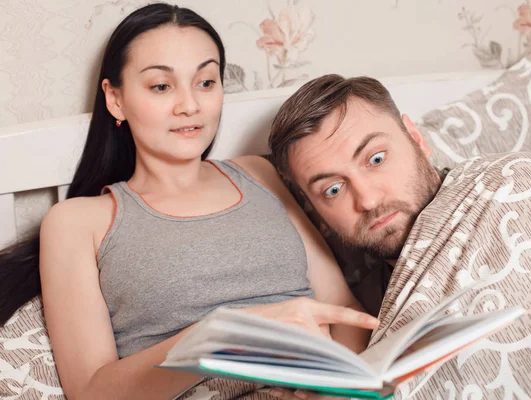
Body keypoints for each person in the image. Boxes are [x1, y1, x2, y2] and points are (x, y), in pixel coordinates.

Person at [0, 6, 379, 400]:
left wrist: (338, 387)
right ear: (115, 99)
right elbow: (92, 391)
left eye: (205, 81)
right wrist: (217, 338)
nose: (190, 105)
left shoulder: (258, 174)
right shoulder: (78, 222)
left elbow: (342, 310)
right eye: (161, 86)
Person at [268, 74, 531, 399]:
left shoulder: (512, 184)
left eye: (376, 159)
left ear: (417, 139)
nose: (367, 199)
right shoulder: (366, 318)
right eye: (334, 189)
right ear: (317, 214)